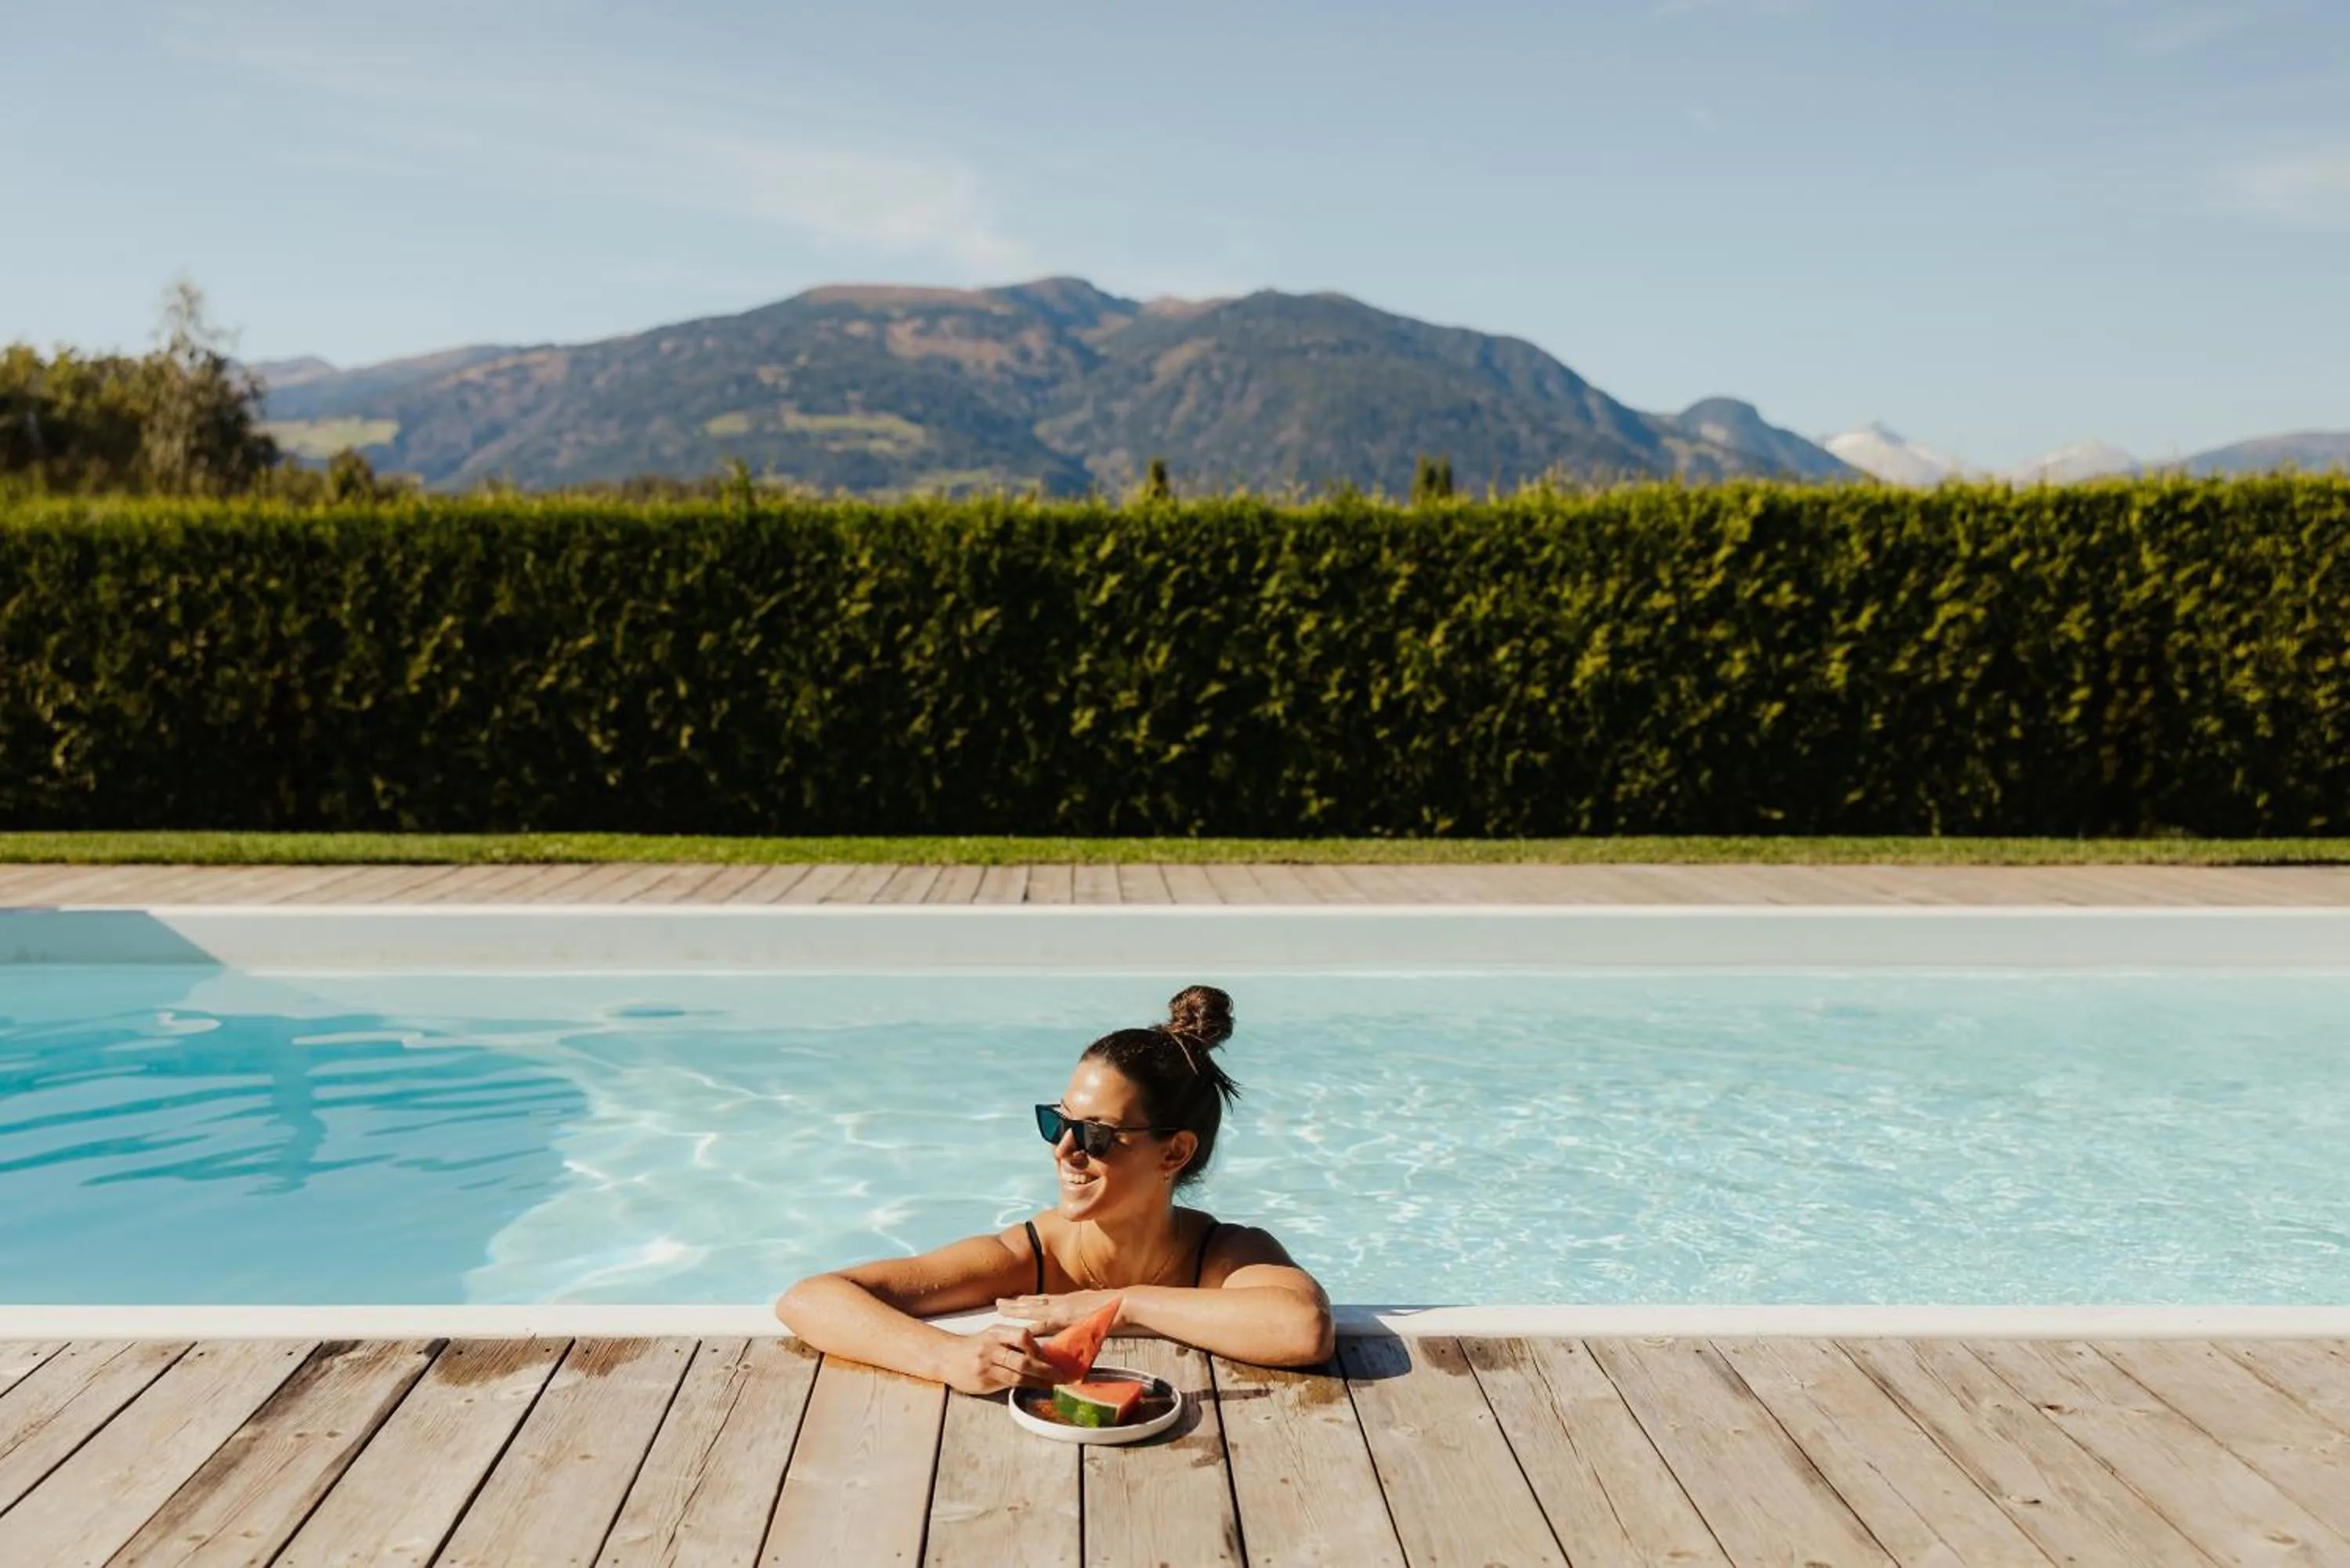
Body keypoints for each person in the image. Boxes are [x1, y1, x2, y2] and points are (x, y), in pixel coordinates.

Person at [776, 985, 1336, 1394]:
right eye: (1057, 1121)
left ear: (1174, 1152)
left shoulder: (1223, 1255)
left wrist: (1118, 1305)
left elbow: (1304, 1327)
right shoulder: (1031, 1258)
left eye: (1094, 1133)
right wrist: (945, 1358)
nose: (1064, 1150)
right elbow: (809, 1298)